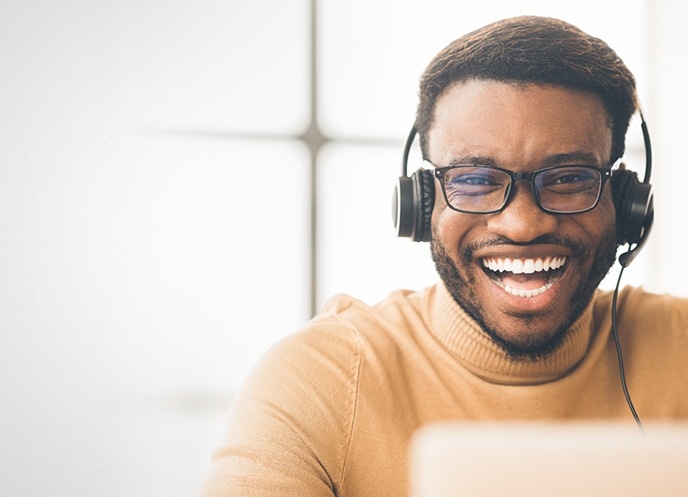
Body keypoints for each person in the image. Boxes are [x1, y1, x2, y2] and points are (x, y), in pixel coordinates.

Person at [197, 15, 688, 497]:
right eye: (474, 180)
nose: (521, 224)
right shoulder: (317, 381)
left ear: (625, 204)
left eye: (568, 179)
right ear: (423, 202)